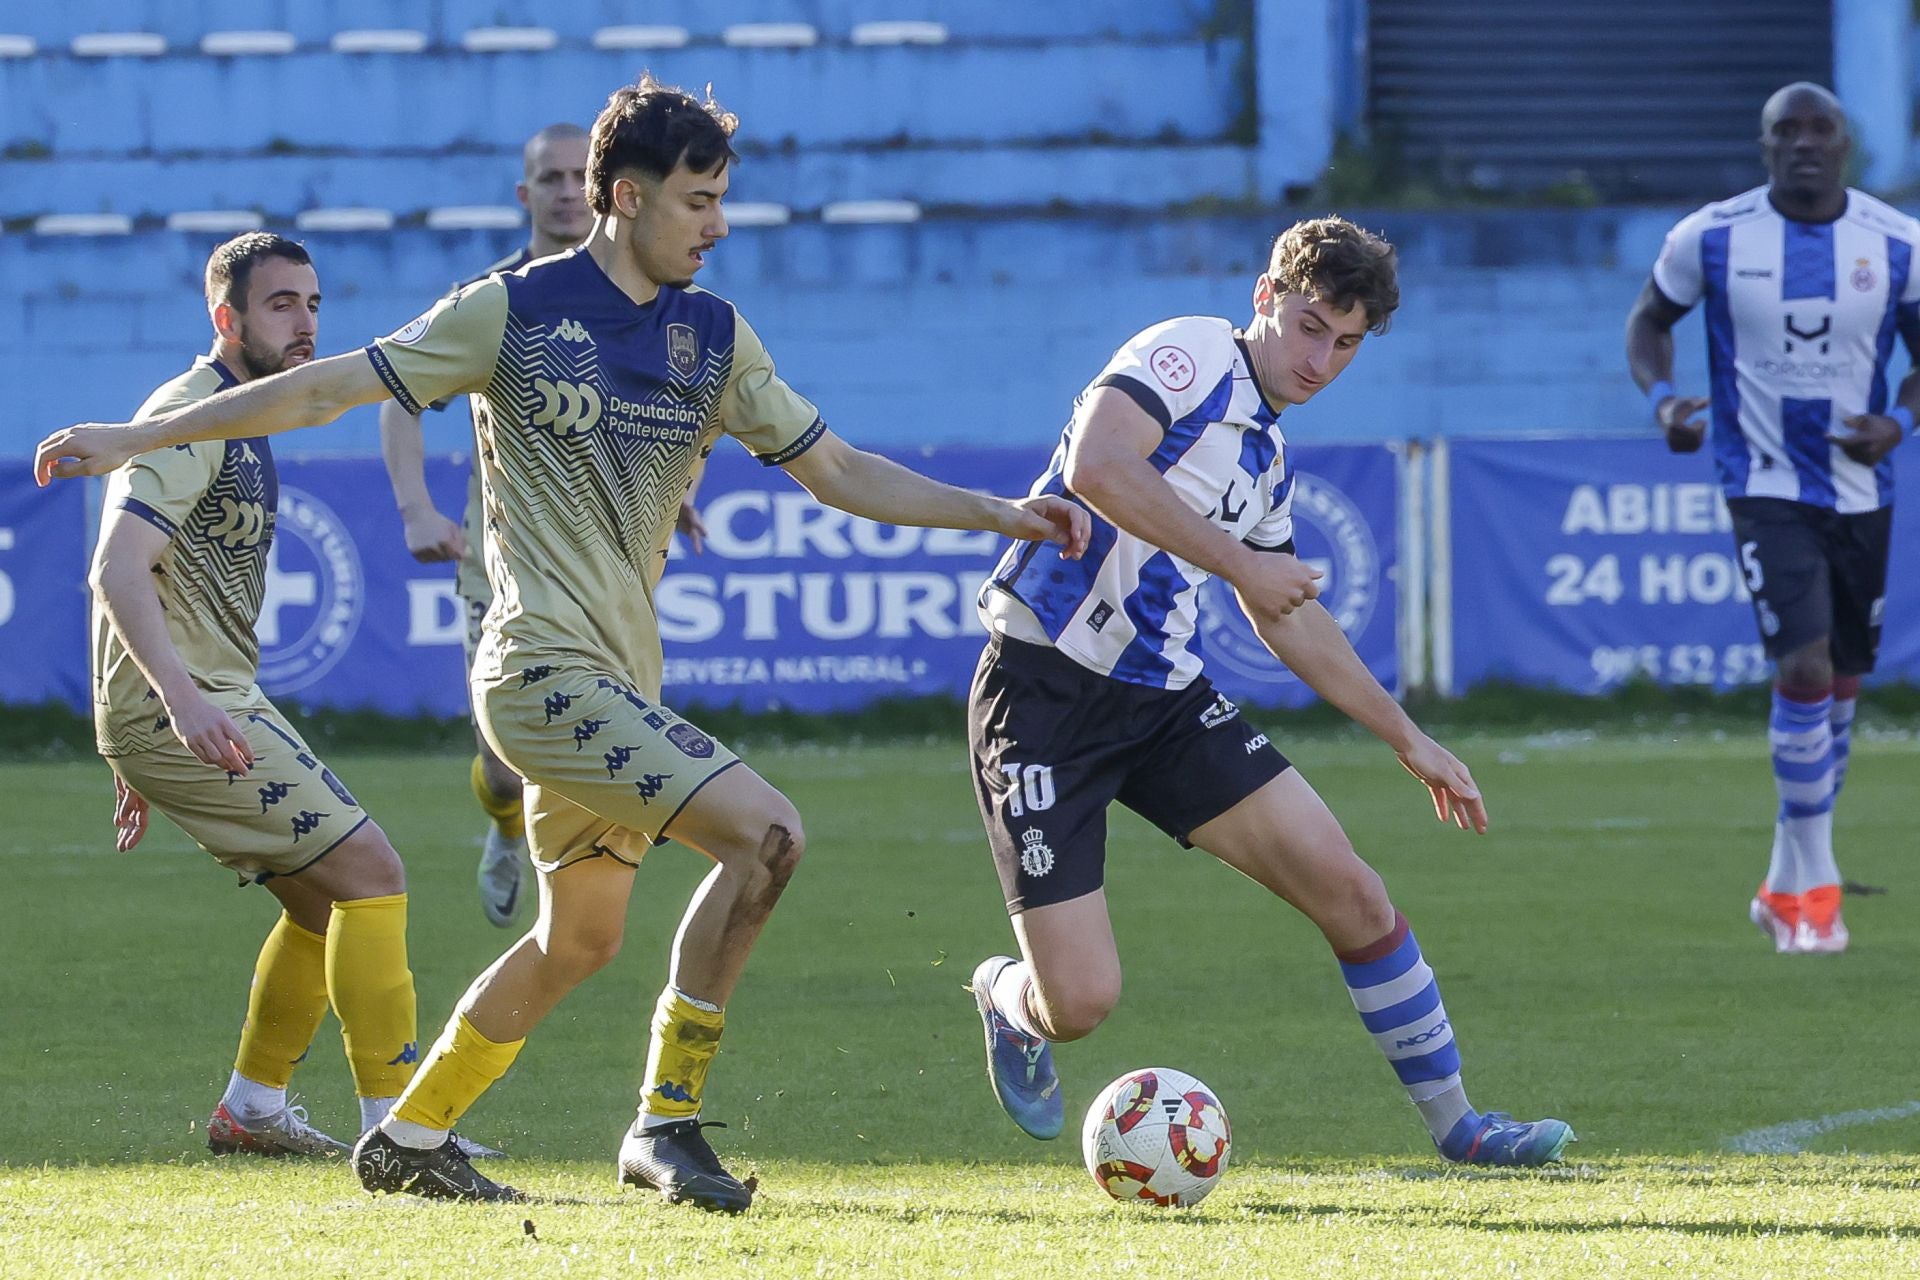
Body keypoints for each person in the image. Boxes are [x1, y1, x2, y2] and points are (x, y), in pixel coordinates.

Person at [37, 74, 1089, 1207]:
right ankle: (666, 1121)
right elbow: (324, 391)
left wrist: (1001, 511)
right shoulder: (510, 309)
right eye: (700, 200)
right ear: (626, 198)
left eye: (722, 198)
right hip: (539, 675)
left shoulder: (715, 335)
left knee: (578, 939)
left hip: (622, 683)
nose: (719, 223)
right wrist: (131, 435)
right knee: (769, 834)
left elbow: (838, 472)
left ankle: (413, 1133)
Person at [964, 215, 1573, 1167]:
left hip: (1162, 701)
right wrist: (1241, 565)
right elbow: (1098, 465)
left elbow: (1287, 616)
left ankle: (1463, 1128)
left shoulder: (1268, 462)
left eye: (1346, 342)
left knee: (1356, 895)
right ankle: (1006, 997)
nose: (1321, 358)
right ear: (1265, 298)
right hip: (1041, 692)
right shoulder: (1191, 353)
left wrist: (1408, 738)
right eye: (1308, 326)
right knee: (1078, 1007)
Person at [86, 233, 426, 1159]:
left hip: (188, 700)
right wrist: (171, 712)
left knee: (321, 906)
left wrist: (131, 733)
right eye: (282, 305)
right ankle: (403, 1133)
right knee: (373, 875)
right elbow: (115, 570)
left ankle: (254, 1110)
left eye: (313, 303)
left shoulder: (241, 417)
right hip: (189, 702)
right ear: (226, 318)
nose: (306, 321)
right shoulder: (188, 414)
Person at [376, 122, 711, 930]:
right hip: (501, 567)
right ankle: (503, 829)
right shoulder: (497, 297)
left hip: (600, 563)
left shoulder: (647, 299)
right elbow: (398, 393)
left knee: (594, 733)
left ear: (601, 190)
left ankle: (572, 911)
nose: (566, 191)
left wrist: (676, 487)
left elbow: (674, 412)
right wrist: (416, 507)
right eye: (550, 179)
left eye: (575, 176)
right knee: (503, 766)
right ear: (528, 195)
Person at [1625, 82, 1920, 955]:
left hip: (1862, 490)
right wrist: (1663, 400)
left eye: (1819, 128)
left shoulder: (1897, 242)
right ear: (1765, 147)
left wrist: (1900, 422)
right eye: (1784, 131)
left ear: (1844, 144)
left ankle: (1781, 886)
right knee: (1803, 665)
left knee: (1841, 687)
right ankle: (1817, 892)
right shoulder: (1711, 236)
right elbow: (1649, 323)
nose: (1802, 143)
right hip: (1761, 481)